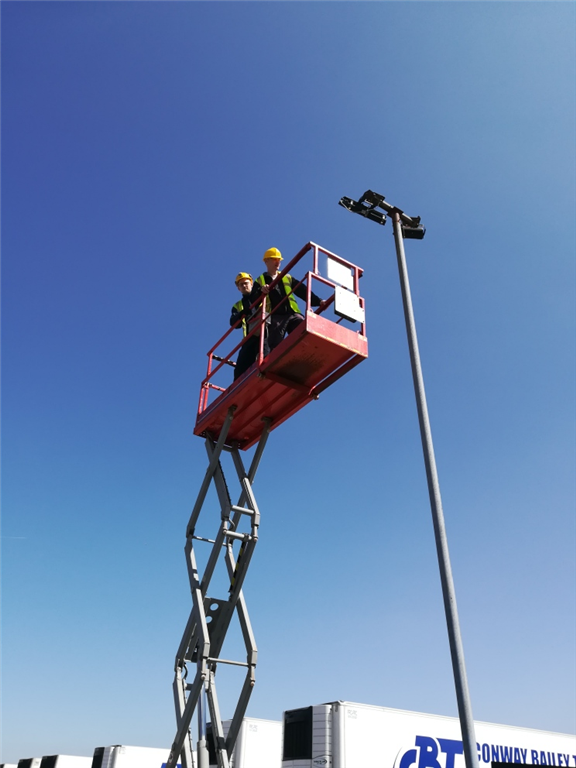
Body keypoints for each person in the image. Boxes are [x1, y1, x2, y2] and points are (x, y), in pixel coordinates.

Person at [251, 247, 323, 351]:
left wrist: (319, 301)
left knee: (302, 329)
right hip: (275, 316)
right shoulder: (260, 281)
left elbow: (302, 290)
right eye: (274, 259)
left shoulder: (287, 277)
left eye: (279, 260)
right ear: (266, 261)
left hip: (292, 313)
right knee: (275, 344)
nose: (278, 262)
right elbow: (254, 300)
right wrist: (260, 292)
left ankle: (310, 352)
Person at [230, 272, 269, 381]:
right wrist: (242, 313)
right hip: (249, 338)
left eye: (246, 283)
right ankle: (237, 392)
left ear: (251, 284)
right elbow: (233, 323)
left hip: (265, 332)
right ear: (238, 288)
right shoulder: (238, 306)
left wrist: (265, 290)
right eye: (241, 284)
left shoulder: (261, 294)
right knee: (240, 369)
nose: (244, 286)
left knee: (266, 358)